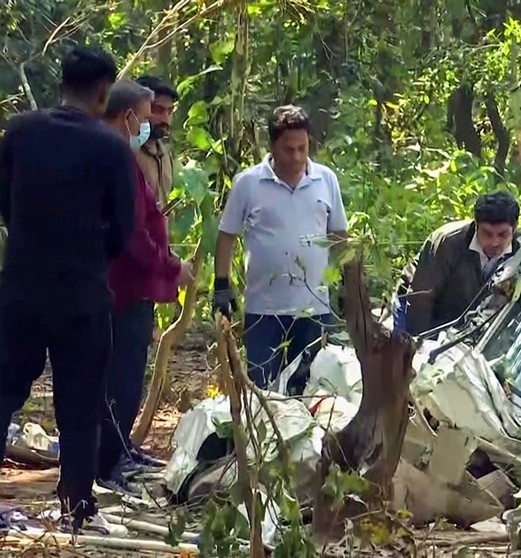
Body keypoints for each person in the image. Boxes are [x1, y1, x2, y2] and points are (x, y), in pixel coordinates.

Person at [0, 45, 135, 530]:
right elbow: (123, 229)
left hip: (21, 290)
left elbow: (4, 203)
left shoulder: (20, 132)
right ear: (103, 92)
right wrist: (89, 251)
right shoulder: (111, 147)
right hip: (82, 295)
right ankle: (76, 507)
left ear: (62, 84)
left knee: (3, 393)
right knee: (79, 406)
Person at [96, 80, 194, 497]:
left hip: (138, 284)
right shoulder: (119, 158)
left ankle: (119, 451)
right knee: (119, 377)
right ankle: (105, 464)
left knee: (128, 372)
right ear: (129, 117)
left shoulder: (139, 156)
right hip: (122, 284)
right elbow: (133, 233)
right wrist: (171, 267)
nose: (156, 121)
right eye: (150, 113)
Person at [214, 105, 348, 392]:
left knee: (313, 390)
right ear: (272, 145)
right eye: (289, 149)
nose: (296, 157)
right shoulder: (248, 183)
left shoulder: (326, 180)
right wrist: (221, 286)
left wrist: (346, 284)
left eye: (302, 148)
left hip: (314, 308)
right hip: (264, 310)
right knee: (262, 391)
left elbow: (339, 235)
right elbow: (226, 236)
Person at [397, 191, 521, 336]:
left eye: (502, 235)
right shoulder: (448, 241)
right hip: (413, 303)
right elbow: (420, 299)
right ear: (476, 225)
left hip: (464, 320)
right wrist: (418, 341)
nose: (494, 242)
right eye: (487, 234)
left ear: (515, 228)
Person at [135, 75, 178, 209]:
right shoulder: (127, 151)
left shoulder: (165, 154)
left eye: (170, 111)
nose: (166, 119)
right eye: (158, 110)